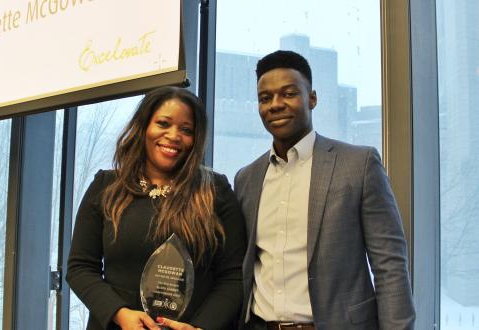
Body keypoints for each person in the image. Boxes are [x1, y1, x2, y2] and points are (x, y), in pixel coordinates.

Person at [234, 50, 416, 330]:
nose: (275, 105)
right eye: (265, 98)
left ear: (312, 98)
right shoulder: (247, 178)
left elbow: (389, 266)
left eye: (289, 94)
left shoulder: (359, 164)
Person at [67, 86, 246, 330]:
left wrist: (201, 328)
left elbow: (234, 277)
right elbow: (80, 268)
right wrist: (120, 314)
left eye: (186, 130)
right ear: (143, 127)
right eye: (163, 123)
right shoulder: (106, 186)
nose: (174, 135)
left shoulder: (215, 190)